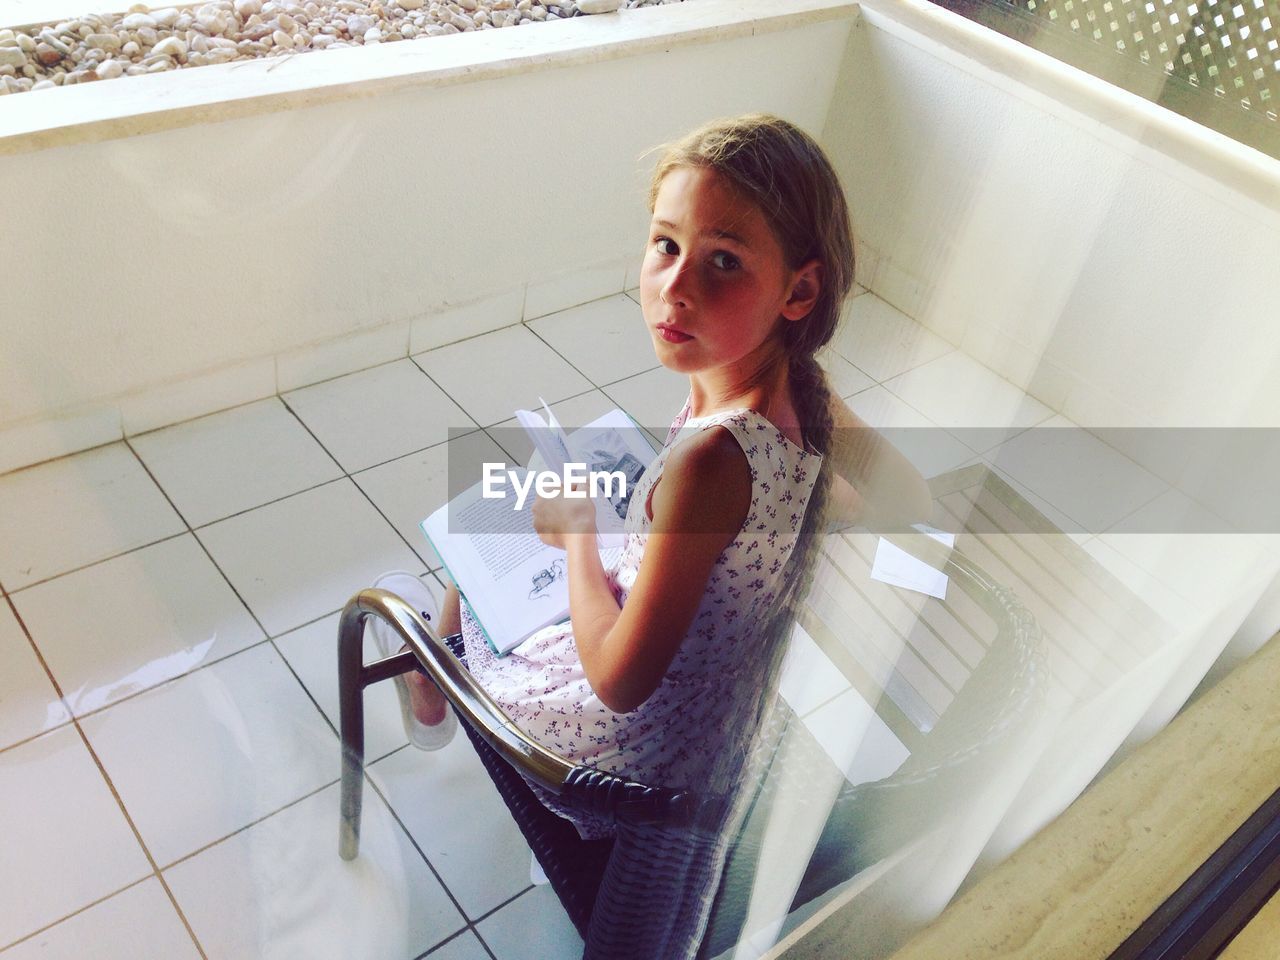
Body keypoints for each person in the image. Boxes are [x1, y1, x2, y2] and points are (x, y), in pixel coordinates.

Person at [372, 113, 930, 839]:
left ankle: (429, 687)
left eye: (724, 261)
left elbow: (619, 681)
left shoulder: (711, 463)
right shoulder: (804, 387)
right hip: (710, 707)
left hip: (623, 760)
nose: (675, 286)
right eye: (666, 244)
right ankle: (436, 672)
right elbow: (908, 495)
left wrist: (578, 539)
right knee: (512, 519)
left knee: (484, 541)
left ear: (798, 292)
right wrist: (778, 521)